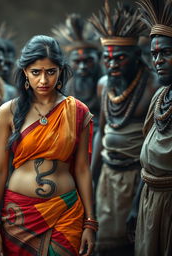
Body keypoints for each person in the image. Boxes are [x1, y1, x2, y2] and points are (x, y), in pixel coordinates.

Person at [0, 35, 97, 256]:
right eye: (36, 72)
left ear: (60, 71)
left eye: (51, 72)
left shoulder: (77, 111)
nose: (44, 80)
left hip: (66, 213)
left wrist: (90, 223)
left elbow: (83, 169)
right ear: (25, 72)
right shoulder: (9, 111)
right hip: (19, 216)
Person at [89, 1, 158, 255]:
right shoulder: (104, 84)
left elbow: (154, 145)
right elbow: (102, 132)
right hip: (109, 173)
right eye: (107, 58)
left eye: (120, 58)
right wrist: (91, 176)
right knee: (106, 244)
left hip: (138, 177)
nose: (112, 64)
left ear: (137, 57)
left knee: (135, 242)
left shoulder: (153, 87)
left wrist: (139, 198)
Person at [133, 0, 172, 255]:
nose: (157, 60)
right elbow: (145, 162)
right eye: (154, 54)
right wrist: (136, 204)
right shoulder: (160, 97)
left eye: (166, 53)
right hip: (149, 199)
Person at [52, 13, 103, 135]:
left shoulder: (106, 85)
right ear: (69, 61)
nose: (82, 66)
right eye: (77, 61)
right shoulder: (63, 87)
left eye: (88, 61)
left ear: (99, 57)